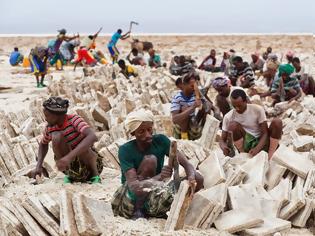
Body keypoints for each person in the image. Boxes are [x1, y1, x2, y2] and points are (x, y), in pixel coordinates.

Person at [111, 109, 204, 219]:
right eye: (141, 132)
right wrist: (160, 177)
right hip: (132, 197)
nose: (148, 135)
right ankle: (139, 209)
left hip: (155, 190)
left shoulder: (161, 141)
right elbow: (134, 187)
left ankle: (167, 208)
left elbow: (187, 164)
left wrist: (191, 176)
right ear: (133, 133)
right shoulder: (125, 150)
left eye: (149, 130)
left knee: (198, 178)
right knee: (150, 160)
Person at [33, 97, 103, 183]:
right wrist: (39, 165)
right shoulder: (50, 128)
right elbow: (43, 144)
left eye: (47, 116)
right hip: (69, 166)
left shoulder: (74, 120)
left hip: (89, 164)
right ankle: (70, 174)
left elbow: (92, 136)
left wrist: (69, 157)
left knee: (83, 145)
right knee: (56, 136)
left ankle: (95, 176)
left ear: (57, 115)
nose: (46, 119)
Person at [219, 89, 283, 160]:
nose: (237, 108)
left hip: (262, 141)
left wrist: (257, 148)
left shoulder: (257, 109)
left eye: (239, 105)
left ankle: (270, 156)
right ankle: (244, 156)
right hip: (247, 144)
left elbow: (265, 133)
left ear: (246, 100)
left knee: (277, 122)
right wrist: (224, 147)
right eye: (234, 106)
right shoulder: (228, 116)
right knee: (233, 125)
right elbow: (222, 140)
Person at [171, 73, 212, 140]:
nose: (194, 88)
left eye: (195, 85)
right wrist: (193, 107)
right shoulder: (177, 98)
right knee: (185, 108)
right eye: (192, 86)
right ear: (184, 85)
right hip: (181, 125)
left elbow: (208, 104)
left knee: (206, 108)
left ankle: (203, 132)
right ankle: (184, 138)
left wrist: (206, 106)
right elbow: (174, 119)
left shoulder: (196, 92)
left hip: (192, 120)